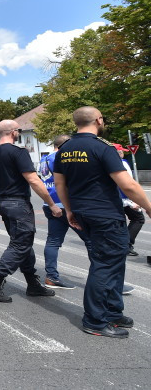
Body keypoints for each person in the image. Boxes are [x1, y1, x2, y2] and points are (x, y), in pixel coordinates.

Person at [54, 107, 151, 338]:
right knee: (105, 265)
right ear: (98, 120)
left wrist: (69, 210)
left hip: (83, 213)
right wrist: (148, 206)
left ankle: (113, 311)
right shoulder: (102, 147)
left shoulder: (64, 149)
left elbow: (60, 185)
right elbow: (127, 185)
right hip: (105, 215)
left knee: (114, 262)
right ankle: (95, 320)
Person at [0, 120, 58, 303]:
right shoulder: (19, 152)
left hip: (3, 203)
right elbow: (33, 180)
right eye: (19, 131)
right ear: (14, 132)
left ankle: (32, 283)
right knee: (21, 244)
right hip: (18, 204)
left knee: (22, 243)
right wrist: (52, 203)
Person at [38, 135, 90, 289]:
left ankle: (51, 276)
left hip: (50, 203)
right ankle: (105, 279)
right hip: (66, 204)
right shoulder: (62, 157)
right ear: (65, 145)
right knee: (91, 240)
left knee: (53, 241)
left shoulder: (44, 159)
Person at [114, 144, 145, 257]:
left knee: (118, 221)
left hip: (111, 199)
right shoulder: (122, 163)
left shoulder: (103, 164)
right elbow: (128, 184)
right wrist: (135, 200)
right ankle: (126, 245)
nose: (123, 153)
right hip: (124, 198)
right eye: (122, 151)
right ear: (119, 153)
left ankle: (118, 245)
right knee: (138, 218)